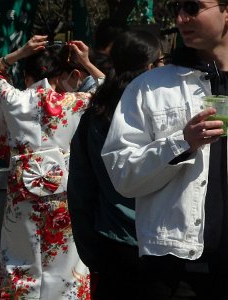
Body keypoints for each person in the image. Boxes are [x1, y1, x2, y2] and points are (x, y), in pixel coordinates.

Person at [101, 1, 228, 299]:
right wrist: (182, 143)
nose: (181, 18)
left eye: (193, 7)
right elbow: (122, 174)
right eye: (177, 8)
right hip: (173, 265)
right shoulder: (150, 87)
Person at [0, 35, 105, 299]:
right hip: (63, 196)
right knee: (66, 266)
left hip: (22, 197)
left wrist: (20, 52)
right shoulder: (74, 103)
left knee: (18, 263)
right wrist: (86, 61)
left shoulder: (14, 99)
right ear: (61, 73)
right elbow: (107, 88)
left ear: (29, 74)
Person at [67, 29, 164, 300]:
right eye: (160, 62)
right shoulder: (160, 112)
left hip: (111, 240)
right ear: (149, 66)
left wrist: (88, 248)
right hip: (158, 240)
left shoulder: (98, 112)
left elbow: (80, 186)